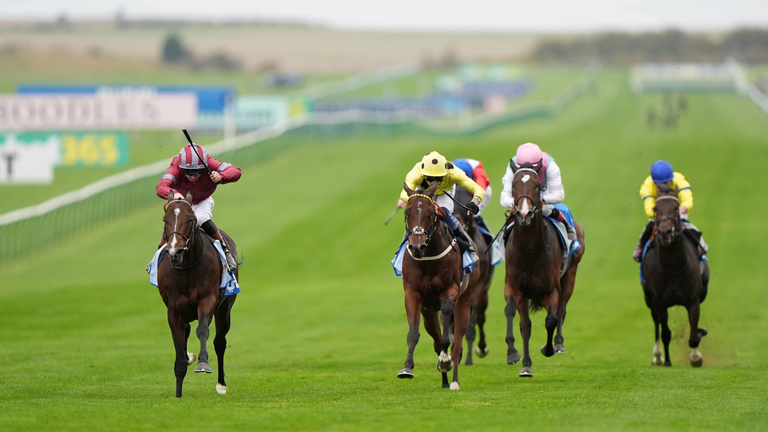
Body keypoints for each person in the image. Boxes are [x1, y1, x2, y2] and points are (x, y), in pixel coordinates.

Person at [156, 143, 242, 271]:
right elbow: (161, 187)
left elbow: (236, 171)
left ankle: (225, 251)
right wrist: (175, 194)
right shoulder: (175, 166)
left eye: (197, 172)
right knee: (176, 224)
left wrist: (221, 177)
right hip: (182, 201)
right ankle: (158, 257)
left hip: (203, 200)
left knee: (200, 219)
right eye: (189, 172)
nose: (193, 176)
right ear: (182, 167)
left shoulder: (209, 162)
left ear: (203, 166)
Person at [397, 151, 485, 263]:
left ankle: (469, 248)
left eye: (439, 179)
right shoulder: (416, 172)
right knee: (416, 215)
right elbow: (404, 194)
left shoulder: (453, 172)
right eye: (429, 178)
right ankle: (400, 255)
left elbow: (478, 189)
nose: (434, 183)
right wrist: (420, 201)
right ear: (423, 174)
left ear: (445, 174)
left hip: (445, 192)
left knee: (444, 213)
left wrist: (475, 201)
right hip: (423, 194)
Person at [500, 142, 580, 247]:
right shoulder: (512, 167)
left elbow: (559, 194)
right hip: (521, 192)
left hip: (542, 189)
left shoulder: (550, 166)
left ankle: (569, 231)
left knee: (546, 209)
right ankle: (502, 241)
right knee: (516, 213)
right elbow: (504, 198)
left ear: (539, 165)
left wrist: (541, 199)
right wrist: (518, 203)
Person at [632, 160, 708, 262]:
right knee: (648, 228)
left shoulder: (679, 180)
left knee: (689, 227)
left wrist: (682, 209)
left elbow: (687, 198)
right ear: (654, 182)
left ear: (671, 179)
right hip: (659, 214)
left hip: (675, 212)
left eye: (666, 182)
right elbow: (649, 209)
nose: (663, 185)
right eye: (659, 184)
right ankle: (640, 250)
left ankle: (701, 247)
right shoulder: (647, 186)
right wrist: (659, 213)